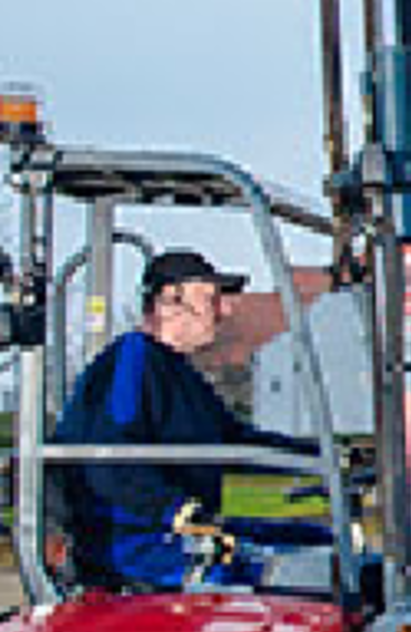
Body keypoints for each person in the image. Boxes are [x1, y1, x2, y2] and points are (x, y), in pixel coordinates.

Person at [54, 249, 326, 589]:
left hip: (181, 531)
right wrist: (178, 512)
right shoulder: (133, 359)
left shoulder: (179, 372)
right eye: (211, 299)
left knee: (323, 544)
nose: (224, 311)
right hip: (139, 545)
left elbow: (234, 443)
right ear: (170, 301)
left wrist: (322, 457)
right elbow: (109, 459)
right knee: (292, 578)